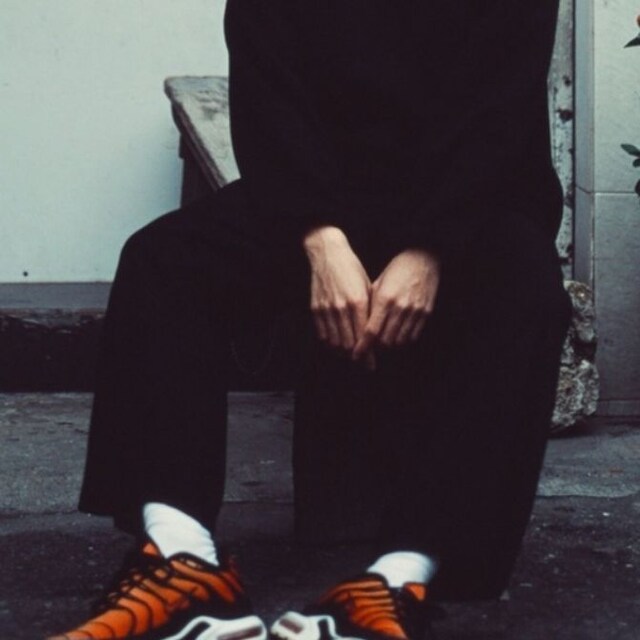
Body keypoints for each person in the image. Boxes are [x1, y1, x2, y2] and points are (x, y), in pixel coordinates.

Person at [48, 1, 572, 639]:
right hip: (317, 195)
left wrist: (429, 249)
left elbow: (499, 112)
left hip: (464, 205)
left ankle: (398, 580)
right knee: (164, 263)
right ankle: (180, 560)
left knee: (527, 286)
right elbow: (268, 95)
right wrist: (320, 238)